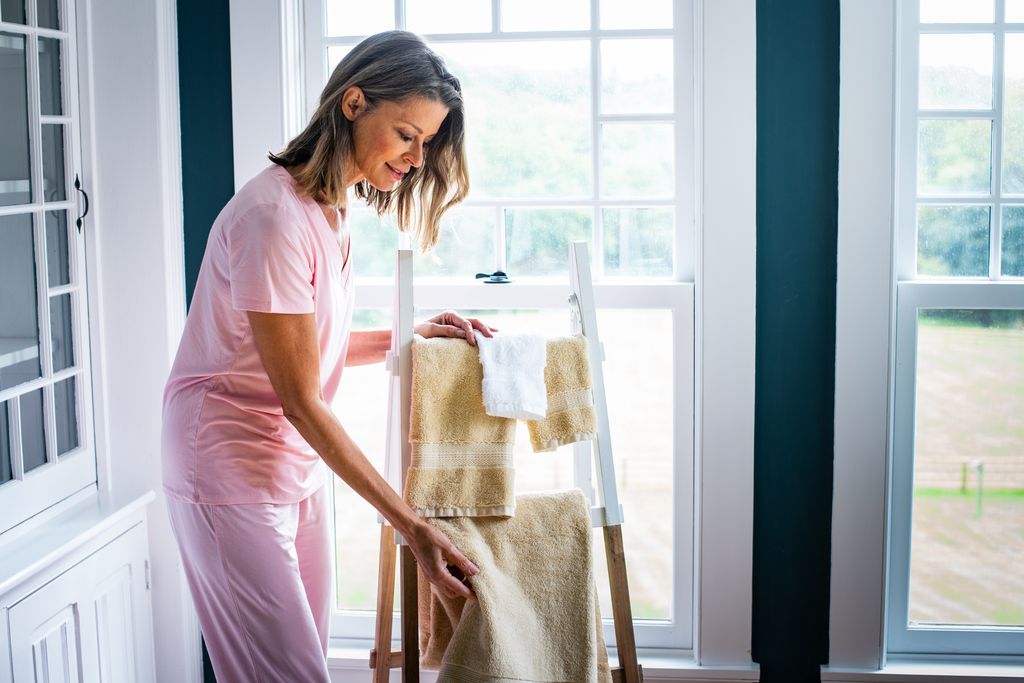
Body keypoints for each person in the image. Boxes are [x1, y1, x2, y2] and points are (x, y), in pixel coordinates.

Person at [161, 31, 490, 682]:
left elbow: (310, 353)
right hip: (226, 474)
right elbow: (302, 398)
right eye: (406, 135)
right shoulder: (273, 218)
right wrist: (412, 527)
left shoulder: (330, 211)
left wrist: (409, 334)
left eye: (426, 143)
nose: (417, 158)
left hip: (292, 470)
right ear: (353, 103)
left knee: (305, 666)